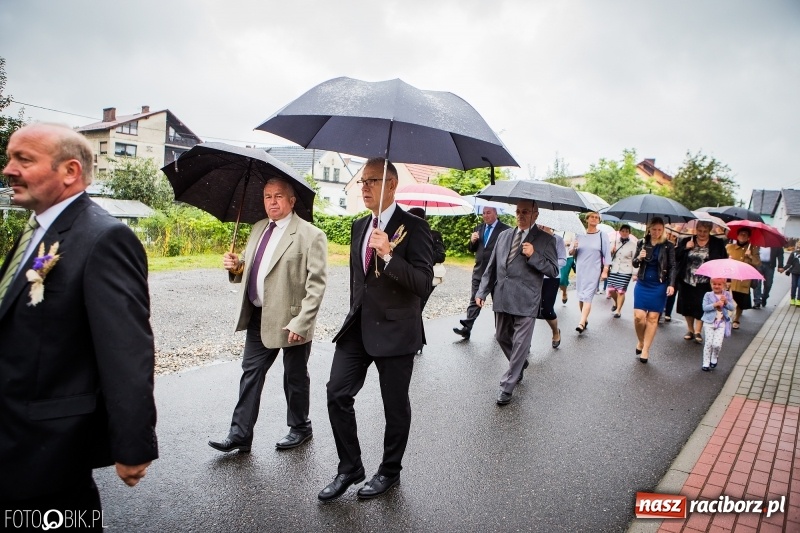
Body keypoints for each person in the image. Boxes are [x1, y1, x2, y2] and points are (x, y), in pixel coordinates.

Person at [0, 124, 158, 515]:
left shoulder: (104, 238)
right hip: (13, 434)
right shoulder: (38, 230)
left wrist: (132, 443)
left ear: (69, 171)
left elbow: (126, 350)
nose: (8, 169)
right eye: (9, 157)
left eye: (24, 159)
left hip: (48, 448)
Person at [319, 158, 433, 502]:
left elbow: (423, 283)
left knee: (394, 406)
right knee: (337, 392)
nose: (364, 187)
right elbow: (361, 283)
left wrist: (389, 256)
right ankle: (350, 466)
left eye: (372, 181)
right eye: (362, 182)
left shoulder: (414, 227)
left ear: (392, 185)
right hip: (358, 328)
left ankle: (389, 471)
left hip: (397, 331)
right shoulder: (358, 226)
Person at [209, 178, 327, 454]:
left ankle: (300, 427)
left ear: (292, 200)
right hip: (258, 316)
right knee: (251, 373)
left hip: (292, 319)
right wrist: (237, 266)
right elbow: (255, 268)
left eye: (278, 196)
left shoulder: (311, 235)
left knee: (294, 377)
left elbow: (317, 284)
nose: (272, 202)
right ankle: (240, 434)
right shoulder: (259, 227)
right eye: (267, 197)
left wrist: (303, 321)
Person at [475, 200, 558, 405]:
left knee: (521, 343)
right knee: (502, 336)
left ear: (536, 215)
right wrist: (482, 291)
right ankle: (519, 363)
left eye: (526, 212)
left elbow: (554, 271)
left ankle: (507, 386)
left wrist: (534, 255)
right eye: (518, 212)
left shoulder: (546, 240)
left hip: (527, 299)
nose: (521, 215)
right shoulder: (504, 236)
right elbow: (492, 266)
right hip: (502, 295)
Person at [453, 206, 510, 339]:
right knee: (475, 299)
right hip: (479, 271)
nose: (485, 215)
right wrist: (472, 241)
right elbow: (473, 249)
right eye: (483, 213)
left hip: (497, 273)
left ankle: (501, 332)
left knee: (498, 302)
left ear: (496, 213)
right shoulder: (478, 228)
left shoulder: (506, 230)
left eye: (488, 213)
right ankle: (467, 328)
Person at [631, 218, 677, 363]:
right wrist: (640, 256)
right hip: (643, 283)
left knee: (652, 318)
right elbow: (634, 263)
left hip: (659, 285)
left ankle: (645, 350)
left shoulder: (668, 246)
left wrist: (671, 284)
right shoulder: (641, 243)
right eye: (654, 229)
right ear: (649, 229)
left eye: (659, 229)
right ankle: (640, 340)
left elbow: (672, 266)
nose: (656, 232)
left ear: (663, 230)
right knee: (639, 317)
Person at [674, 221, 728, 343]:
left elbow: (723, 260)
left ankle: (698, 331)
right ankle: (690, 330)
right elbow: (676, 256)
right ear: (696, 229)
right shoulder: (686, 240)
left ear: (709, 230)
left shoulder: (717, 243)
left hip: (706, 280)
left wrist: (725, 279)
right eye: (699, 231)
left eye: (705, 231)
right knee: (686, 305)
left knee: (701, 305)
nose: (702, 233)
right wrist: (685, 248)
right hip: (687, 278)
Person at [569, 211, 611, 333]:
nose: (594, 219)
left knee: (587, 296)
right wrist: (574, 247)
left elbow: (607, 254)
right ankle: (584, 318)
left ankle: (581, 322)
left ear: (599, 220)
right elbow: (571, 253)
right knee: (581, 297)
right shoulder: (579, 234)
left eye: (596, 217)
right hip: (581, 269)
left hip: (594, 270)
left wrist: (605, 271)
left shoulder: (602, 235)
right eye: (592, 217)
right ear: (587, 219)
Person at [407, 207, 445, 313]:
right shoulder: (406, 234)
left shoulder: (433, 235)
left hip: (425, 276)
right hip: (409, 275)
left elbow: (441, 256)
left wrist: (423, 255)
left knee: (417, 308)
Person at [536, 224, 566, 348]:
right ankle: (525, 343)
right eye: (539, 224)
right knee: (531, 310)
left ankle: (555, 331)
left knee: (547, 309)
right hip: (534, 278)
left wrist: (546, 265)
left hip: (551, 278)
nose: (540, 226)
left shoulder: (557, 239)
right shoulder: (534, 238)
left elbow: (563, 260)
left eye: (543, 225)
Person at [725, 229, 761, 330]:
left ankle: (736, 319)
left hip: (743, 280)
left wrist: (750, 256)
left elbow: (758, 263)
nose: (743, 236)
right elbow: (723, 260)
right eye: (741, 234)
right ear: (737, 236)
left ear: (749, 237)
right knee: (727, 299)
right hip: (730, 278)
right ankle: (725, 317)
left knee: (740, 301)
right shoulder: (729, 247)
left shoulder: (753, 249)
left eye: (745, 235)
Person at [700, 278, 735, 371]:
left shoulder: (726, 295)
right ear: (711, 284)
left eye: (719, 284)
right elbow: (704, 308)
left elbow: (732, 308)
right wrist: (715, 304)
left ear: (723, 285)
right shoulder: (708, 295)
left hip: (721, 323)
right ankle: (706, 363)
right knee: (708, 343)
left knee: (717, 344)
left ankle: (714, 357)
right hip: (709, 322)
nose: (716, 286)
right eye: (714, 284)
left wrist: (726, 302)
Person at [606, 224, 638, 318]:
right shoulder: (614, 242)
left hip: (626, 270)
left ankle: (618, 310)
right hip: (614, 269)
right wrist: (611, 251)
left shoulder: (633, 245)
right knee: (611, 290)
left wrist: (634, 273)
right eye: (623, 231)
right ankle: (616, 303)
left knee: (621, 291)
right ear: (619, 232)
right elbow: (608, 256)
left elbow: (635, 260)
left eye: (626, 231)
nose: (624, 233)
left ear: (629, 233)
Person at [559, 237, 574, 304]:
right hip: (554, 256)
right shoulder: (551, 229)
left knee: (562, 279)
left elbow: (576, 243)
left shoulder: (571, 232)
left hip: (567, 257)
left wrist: (570, 244)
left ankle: (564, 292)